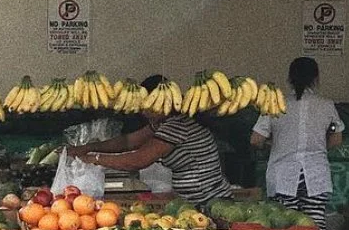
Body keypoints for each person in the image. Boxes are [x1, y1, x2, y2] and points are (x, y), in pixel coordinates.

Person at [69, 75, 233, 205]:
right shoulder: (161, 123)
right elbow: (128, 142)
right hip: (193, 201)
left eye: (149, 105)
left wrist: (94, 158)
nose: (144, 111)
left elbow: (138, 160)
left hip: (210, 201)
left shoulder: (178, 125)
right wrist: (87, 148)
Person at [250, 57, 344, 230]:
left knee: (284, 229)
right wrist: (317, 146)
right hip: (316, 174)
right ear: (316, 79)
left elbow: (256, 140)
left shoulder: (275, 104)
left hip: (283, 174)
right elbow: (337, 139)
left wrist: (275, 144)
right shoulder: (326, 106)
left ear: (289, 79)